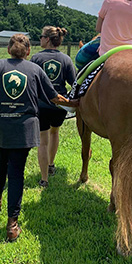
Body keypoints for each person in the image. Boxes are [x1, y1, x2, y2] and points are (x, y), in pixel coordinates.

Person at [0, 34, 75, 242]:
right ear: (28, 52)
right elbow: (54, 97)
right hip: (23, 129)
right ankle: (12, 224)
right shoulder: (35, 70)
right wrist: (77, 104)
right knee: (16, 173)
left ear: (8, 50)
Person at [29, 26, 77, 187]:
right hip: (59, 106)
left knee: (43, 140)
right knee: (54, 132)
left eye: (42, 36)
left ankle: (44, 179)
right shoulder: (66, 59)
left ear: (48, 39)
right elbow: (74, 83)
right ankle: (51, 165)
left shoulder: (36, 59)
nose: (40, 39)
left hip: (41, 105)